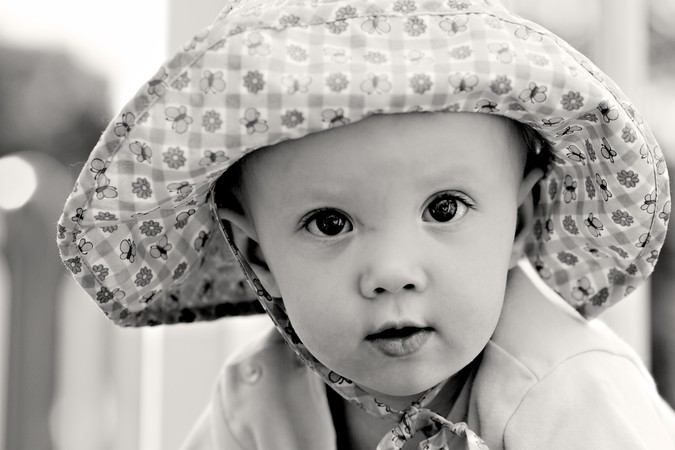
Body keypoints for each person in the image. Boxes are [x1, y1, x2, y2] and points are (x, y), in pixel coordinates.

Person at [56, 0, 675, 448]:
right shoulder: (259, 403)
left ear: (520, 220)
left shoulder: (573, 397)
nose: (391, 273)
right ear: (258, 254)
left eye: (443, 210)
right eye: (330, 223)